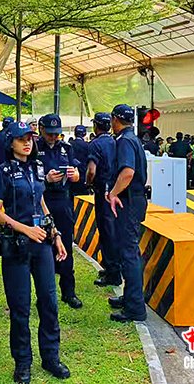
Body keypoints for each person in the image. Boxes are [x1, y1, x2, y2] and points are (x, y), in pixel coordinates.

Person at [0, 121, 70, 384]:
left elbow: (41, 202)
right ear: (10, 142)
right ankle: (23, 362)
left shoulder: (38, 168)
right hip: (16, 247)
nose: (27, 143)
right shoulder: (2, 172)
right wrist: (25, 229)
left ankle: (51, 357)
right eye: (21, 139)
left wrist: (55, 234)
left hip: (41, 244)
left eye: (30, 138)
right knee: (20, 308)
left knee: (49, 302)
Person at [106, 104, 148, 322]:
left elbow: (128, 172)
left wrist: (113, 193)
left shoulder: (124, 141)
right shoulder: (133, 138)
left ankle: (135, 307)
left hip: (128, 201)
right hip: (135, 200)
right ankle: (131, 296)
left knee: (129, 253)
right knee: (129, 252)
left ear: (115, 119)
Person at [37, 114, 82, 309]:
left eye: (56, 134)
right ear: (41, 129)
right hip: (42, 200)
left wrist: (75, 175)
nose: (53, 137)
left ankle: (68, 291)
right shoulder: (33, 148)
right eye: (50, 133)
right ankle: (43, 294)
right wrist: (46, 179)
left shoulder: (66, 148)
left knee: (66, 246)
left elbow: (78, 173)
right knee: (42, 247)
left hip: (62, 201)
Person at [86, 113, 121, 287]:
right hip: (115, 190)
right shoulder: (116, 142)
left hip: (102, 190)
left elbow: (92, 170)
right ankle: (111, 267)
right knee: (112, 230)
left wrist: (88, 182)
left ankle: (112, 273)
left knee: (106, 231)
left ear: (96, 126)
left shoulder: (95, 144)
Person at [69, 125, 89, 197]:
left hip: (71, 176)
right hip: (83, 177)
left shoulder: (69, 144)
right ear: (84, 134)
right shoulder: (87, 145)